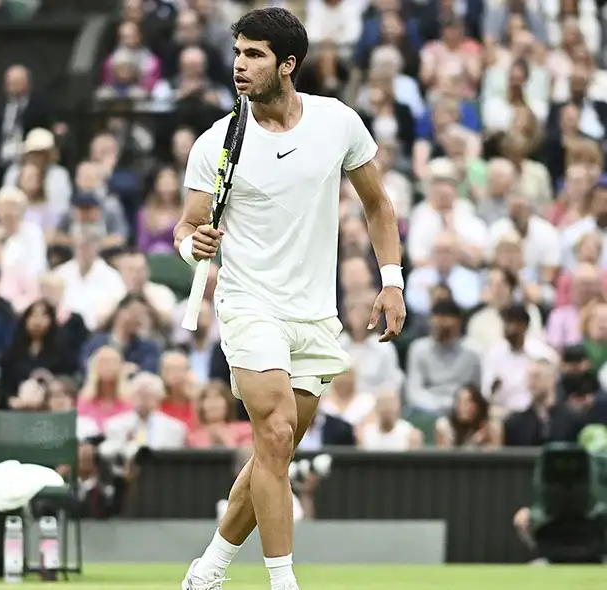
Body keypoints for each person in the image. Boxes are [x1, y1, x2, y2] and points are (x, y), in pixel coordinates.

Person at [174, 8, 405, 590]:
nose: (240, 66)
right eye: (238, 53)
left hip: (315, 314)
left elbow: (377, 204)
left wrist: (393, 279)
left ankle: (210, 568)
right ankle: (284, 582)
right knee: (275, 436)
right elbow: (187, 230)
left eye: (254, 55)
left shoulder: (337, 122)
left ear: (288, 63)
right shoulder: (215, 144)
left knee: (273, 454)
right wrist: (192, 244)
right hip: (249, 303)